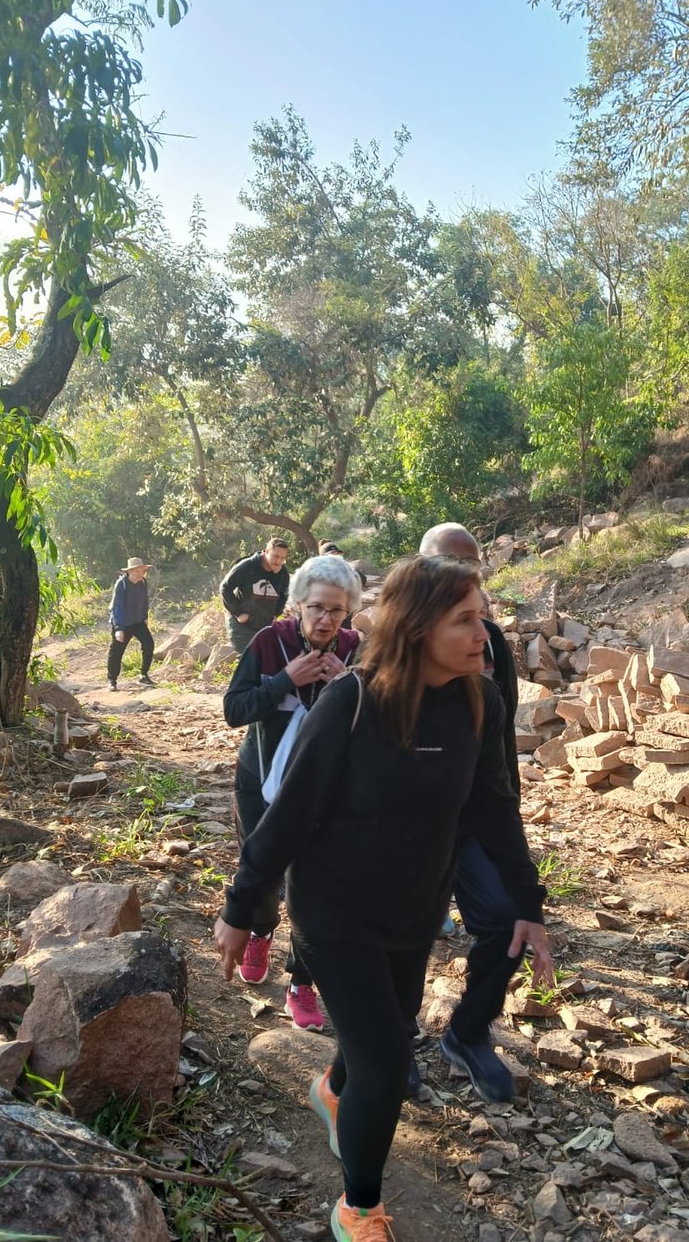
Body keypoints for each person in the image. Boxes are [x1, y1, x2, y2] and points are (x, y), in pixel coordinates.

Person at [214, 555, 552, 1242]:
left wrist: (528, 903)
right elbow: (289, 817)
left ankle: (335, 1093)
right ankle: (358, 1208)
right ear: (418, 625)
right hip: (332, 912)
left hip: (413, 910)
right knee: (388, 1062)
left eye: (481, 616)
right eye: (464, 619)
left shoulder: (476, 703)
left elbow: (495, 808)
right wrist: (239, 904)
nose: (482, 633)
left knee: (381, 1037)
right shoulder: (353, 701)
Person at [222, 554, 363, 1033]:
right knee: (259, 869)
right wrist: (286, 681)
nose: (326, 620)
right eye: (317, 608)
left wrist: (345, 688)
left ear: (348, 613)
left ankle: (302, 983)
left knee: (316, 885)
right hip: (259, 779)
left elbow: (374, 720)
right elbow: (233, 709)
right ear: (298, 605)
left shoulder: (356, 650)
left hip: (326, 788)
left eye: (337, 611)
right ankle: (260, 930)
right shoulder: (268, 643)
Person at [418, 522, 523, 1102]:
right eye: (449, 564)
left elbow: (499, 732)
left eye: (472, 567)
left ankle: (468, 1031)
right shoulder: (386, 643)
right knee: (398, 937)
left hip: (474, 816)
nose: (463, 577)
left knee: (505, 923)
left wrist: (506, 807)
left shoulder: (491, 643)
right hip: (408, 825)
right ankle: (383, 1049)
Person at [219, 537, 291, 654]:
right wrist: (238, 613)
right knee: (247, 660)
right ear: (266, 552)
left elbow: (284, 595)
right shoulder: (247, 566)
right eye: (276, 556)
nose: (279, 561)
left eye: (282, 558)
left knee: (265, 662)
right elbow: (225, 588)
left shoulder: (283, 573)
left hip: (264, 624)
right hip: (242, 625)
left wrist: (276, 614)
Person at [107, 558, 155, 691]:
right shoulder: (121, 584)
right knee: (117, 651)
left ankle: (143, 675)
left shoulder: (143, 582)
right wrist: (119, 629)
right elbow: (117, 607)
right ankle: (112, 680)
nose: (141, 574)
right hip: (123, 623)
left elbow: (144, 600)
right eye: (138, 571)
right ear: (131, 571)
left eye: (143, 571)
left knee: (149, 644)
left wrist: (145, 616)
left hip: (138, 621)